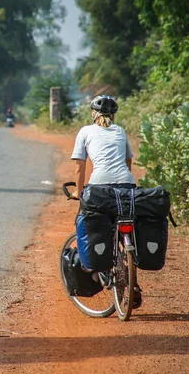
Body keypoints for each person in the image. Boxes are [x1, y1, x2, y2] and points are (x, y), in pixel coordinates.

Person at [70, 95, 142, 308]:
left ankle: (96, 268)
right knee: (126, 225)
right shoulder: (120, 131)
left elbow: (79, 167)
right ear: (113, 115)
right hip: (126, 186)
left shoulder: (85, 131)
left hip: (98, 188)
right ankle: (132, 275)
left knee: (89, 222)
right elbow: (128, 160)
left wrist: (79, 192)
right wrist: (123, 185)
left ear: (93, 113)